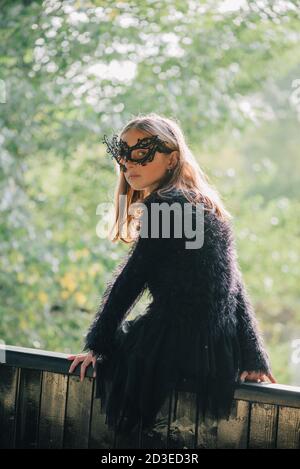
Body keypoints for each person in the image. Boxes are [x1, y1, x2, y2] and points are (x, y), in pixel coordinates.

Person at [67, 112, 276, 434]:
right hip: (216, 349)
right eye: (122, 155)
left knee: (136, 430)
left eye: (141, 154)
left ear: (172, 159)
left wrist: (98, 344)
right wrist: (253, 357)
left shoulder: (166, 205)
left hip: (172, 344)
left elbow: (132, 279)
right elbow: (234, 287)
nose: (127, 164)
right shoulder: (205, 204)